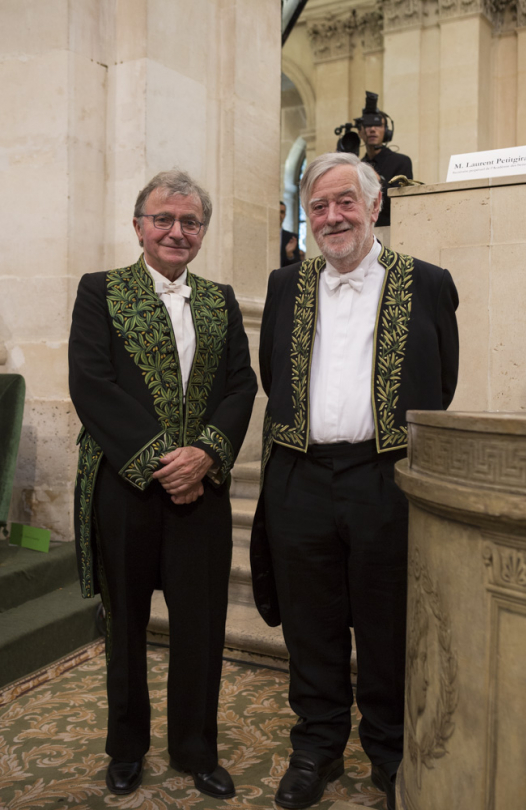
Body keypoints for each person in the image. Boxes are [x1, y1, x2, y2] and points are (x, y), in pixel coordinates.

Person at [250, 152, 458, 810]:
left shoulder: (427, 282)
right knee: (310, 624)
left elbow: (442, 383)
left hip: (384, 476)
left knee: (386, 622)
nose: (333, 216)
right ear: (306, 217)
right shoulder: (286, 286)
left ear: (374, 207)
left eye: (346, 202)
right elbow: (271, 376)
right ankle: (316, 748)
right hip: (300, 476)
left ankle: (391, 752)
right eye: (319, 207)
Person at [69, 170, 257, 798]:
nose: (177, 231)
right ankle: (125, 746)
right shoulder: (100, 291)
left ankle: (195, 747)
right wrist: (160, 462)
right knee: (125, 622)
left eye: (191, 222)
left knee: (200, 624)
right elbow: (92, 384)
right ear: (139, 226)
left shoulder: (220, 298)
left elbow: (240, 386)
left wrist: (205, 455)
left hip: (202, 488)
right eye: (164, 219)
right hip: (124, 486)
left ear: (202, 231)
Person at [358, 92, 413, 227]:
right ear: (361, 132)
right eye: (368, 125)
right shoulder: (357, 166)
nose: (372, 130)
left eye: (378, 125)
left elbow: (401, 206)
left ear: (386, 132)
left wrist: (375, 178)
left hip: (390, 232)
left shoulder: (401, 162)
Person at [280, 200, 302, 266]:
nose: (279, 215)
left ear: (285, 215)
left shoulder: (291, 238)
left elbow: (297, 265)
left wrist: (290, 254)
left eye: (282, 212)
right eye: (277, 211)